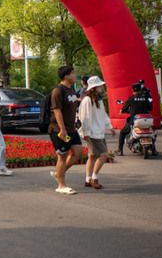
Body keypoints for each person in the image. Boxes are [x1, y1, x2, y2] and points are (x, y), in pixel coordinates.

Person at [48, 65, 83, 195]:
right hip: (59, 129)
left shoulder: (71, 89)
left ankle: (59, 173)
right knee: (62, 156)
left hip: (71, 129)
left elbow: (72, 102)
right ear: (66, 76)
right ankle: (61, 185)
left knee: (78, 152)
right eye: (73, 73)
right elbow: (57, 111)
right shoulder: (58, 91)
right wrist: (62, 130)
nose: (75, 76)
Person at [78, 76, 116, 189]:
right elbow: (85, 117)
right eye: (100, 86)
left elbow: (103, 114)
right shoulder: (87, 100)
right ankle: (94, 178)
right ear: (94, 87)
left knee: (92, 156)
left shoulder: (97, 99)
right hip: (93, 133)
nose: (101, 87)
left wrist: (109, 127)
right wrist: (86, 133)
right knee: (104, 155)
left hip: (98, 132)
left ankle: (88, 179)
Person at [119, 83, 154, 155]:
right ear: (140, 90)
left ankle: (120, 150)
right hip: (146, 121)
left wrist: (122, 111)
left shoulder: (131, 99)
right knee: (151, 133)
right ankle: (154, 150)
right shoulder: (146, 99)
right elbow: (150, 108)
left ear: (132, 90)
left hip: (134, 121)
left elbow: (124, 108)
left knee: (122, 132)